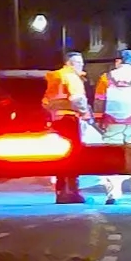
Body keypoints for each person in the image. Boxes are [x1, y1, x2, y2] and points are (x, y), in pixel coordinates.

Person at [92, 48, 131, 204]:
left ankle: (114, 194)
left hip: (111, 124)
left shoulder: (106, 78)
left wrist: (98, 121)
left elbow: (99, 101)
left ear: (118, 61)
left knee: (112, 158)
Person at [44, 49, 90, 204]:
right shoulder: (71, 77)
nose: (81, 66)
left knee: (59, 157)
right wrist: (85, 114)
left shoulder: (52, 76)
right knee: (73, 156)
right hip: (70, 120)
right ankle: (72, 192)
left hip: (55, 120)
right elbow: (78, 99)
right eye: (79, 63)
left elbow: (44, 101)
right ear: (70, 63)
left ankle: (60, 191)